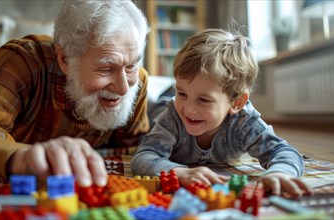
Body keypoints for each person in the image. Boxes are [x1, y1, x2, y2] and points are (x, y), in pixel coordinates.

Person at [0, 0, 150, 187]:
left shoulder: (137, 82)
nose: (124, 88)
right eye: (106, 69)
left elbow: (136, 152)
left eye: (132, 65)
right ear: (64, 58)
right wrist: (20, 157)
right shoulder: (25, 61)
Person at [131, 28, 313, 197]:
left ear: (237, 102)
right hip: (160, 109)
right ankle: (168, 93)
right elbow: (144, 156)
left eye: (204, 100)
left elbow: (283, 152)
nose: (189, 108)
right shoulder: (173, 116)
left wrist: (280, 172)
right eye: (183, 93)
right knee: (151, 110)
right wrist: (180, 173)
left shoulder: (245, 122)